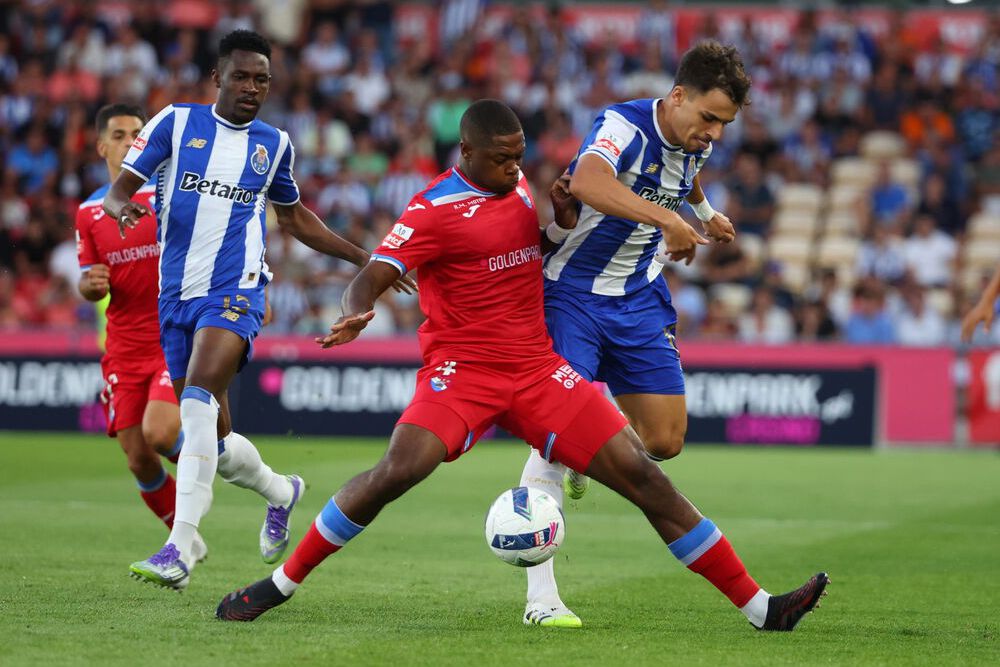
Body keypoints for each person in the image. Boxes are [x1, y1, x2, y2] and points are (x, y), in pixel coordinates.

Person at [215, 99, 828, 631]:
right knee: (397, 471)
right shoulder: (431, 210)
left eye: (520, 156)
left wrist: (559, 227)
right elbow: (374, 273)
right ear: (467, 151)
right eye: (504, 159)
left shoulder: (519, 191)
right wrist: (356, 311)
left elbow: (523, 252)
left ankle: (762, 609)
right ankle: (280, 585)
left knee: (648, 477)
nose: (516, 169)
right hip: (463, 373)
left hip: (537, 369)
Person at [103, 30, 413, 591]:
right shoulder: (174, 123)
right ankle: (281, 491)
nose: (253, 88)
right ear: (217, 78)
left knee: (194, 404)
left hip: (238, 288)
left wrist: (367, 257)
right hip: (175, 295)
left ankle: (179, 549)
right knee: (215, 442)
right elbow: (122, 188)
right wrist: (121, 204)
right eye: (242, 77)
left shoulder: (274, 143)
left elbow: (294, 220)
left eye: (263, 79)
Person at [517, 41, 745, 627]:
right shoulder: (622, 124)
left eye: (724, 124)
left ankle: (584, 448)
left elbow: (683, 175)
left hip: (639, 299)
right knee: (552, 434)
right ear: (676, 98)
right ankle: (541, 600)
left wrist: (704, 211)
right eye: (709, 118)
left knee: (665, 441)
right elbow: (590, 181)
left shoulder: (694, 140)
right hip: (572, 295)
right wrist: (670, 220)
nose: (714, 133)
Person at [76, 103, 203, 560]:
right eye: (120, 134)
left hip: (171, 340)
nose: (130, 140)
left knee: (159, 431)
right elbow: (90, 280)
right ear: (102, 146)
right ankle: (184, 539)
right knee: (138, 457)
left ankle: (231, 468)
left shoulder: (167, 195)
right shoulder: (89, 213)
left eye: (137, 133)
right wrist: (88, 286)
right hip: (122, 350)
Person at [961, 263, 1000, 342]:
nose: (984, 285)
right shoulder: (975, 297)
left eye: (986, 282)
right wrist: (988, 299)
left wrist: (988, 299)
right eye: (983, 282)